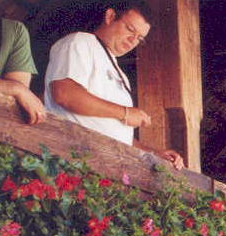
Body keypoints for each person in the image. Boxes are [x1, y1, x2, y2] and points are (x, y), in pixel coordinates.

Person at [44, 0, 183, 169]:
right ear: (110, 16)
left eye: (140, 38)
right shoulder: (80, 42)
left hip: (106, 163)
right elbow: (65, 94)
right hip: (72, 155)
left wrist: (153, 152)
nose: (133, 40)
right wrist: (125, 113)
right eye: (130, 29)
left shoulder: (121, 75)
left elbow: (114, 130)